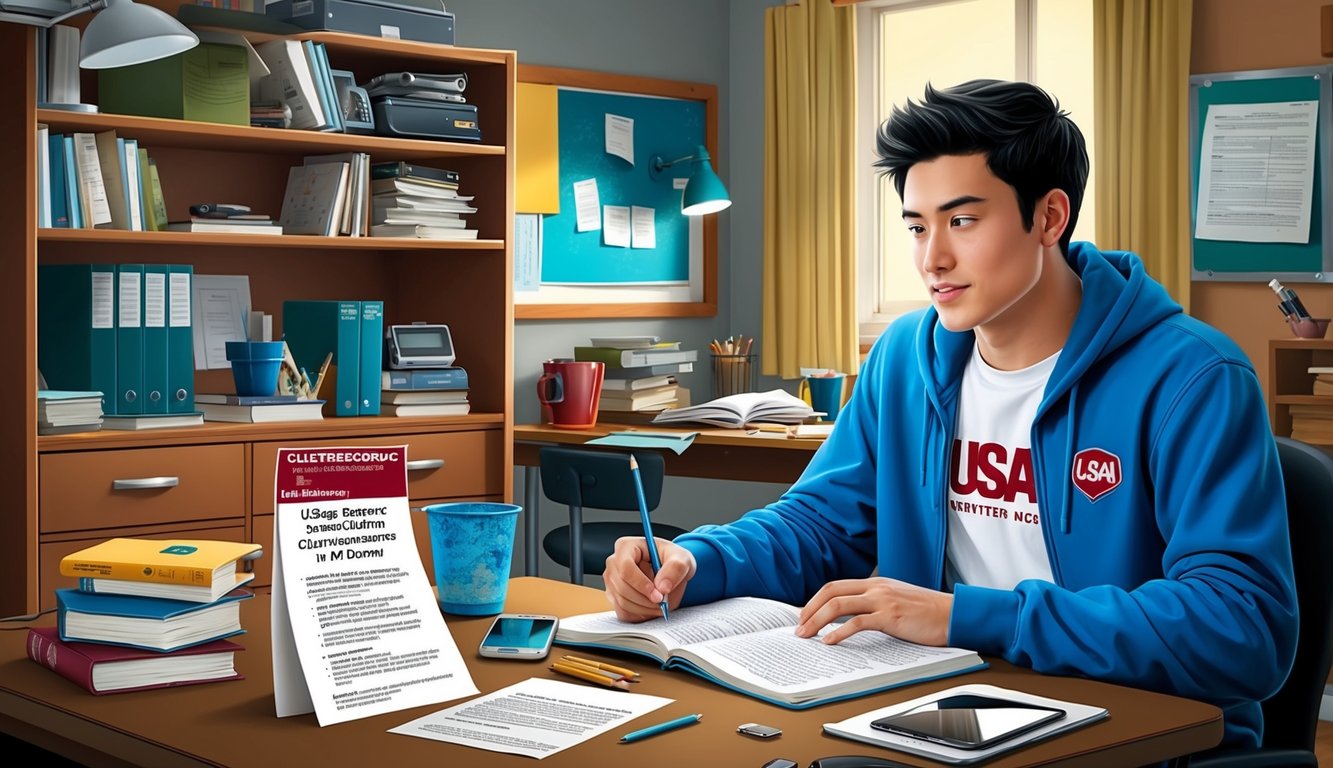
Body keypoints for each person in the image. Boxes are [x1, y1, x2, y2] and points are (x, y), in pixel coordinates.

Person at [602, 79, 1297, 750]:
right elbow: (820, 524)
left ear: (1048, 217)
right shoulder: (905, 355)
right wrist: (695, 558)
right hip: (936, 710)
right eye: (915, 226)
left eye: (962, 221)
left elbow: (1241, 630)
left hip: (1136, 734)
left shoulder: (1190, 377)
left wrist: (967, 617)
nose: (931, 258)